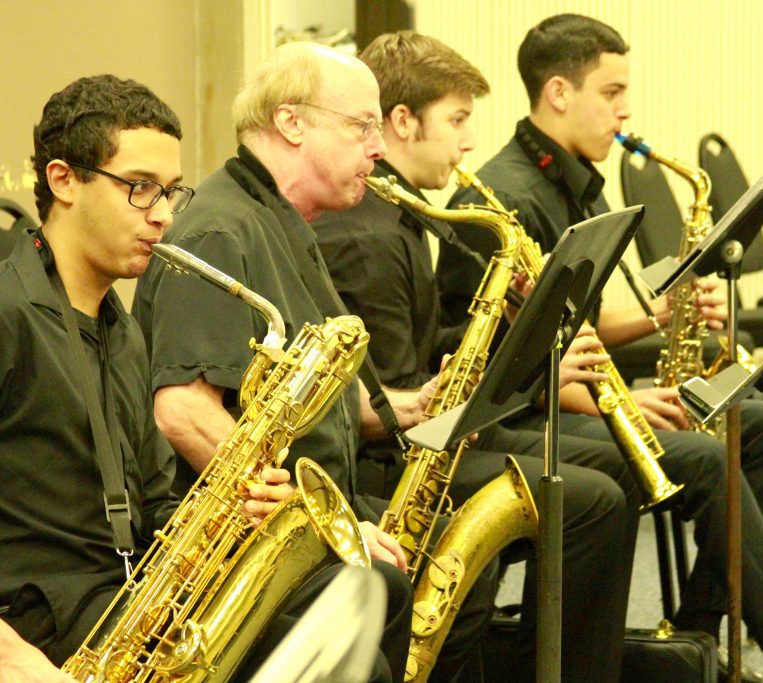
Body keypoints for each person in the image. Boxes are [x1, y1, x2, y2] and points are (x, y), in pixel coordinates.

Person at [436, 14, 763, 683]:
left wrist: (662, 315)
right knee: (705, 454)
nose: (625, 110)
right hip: (526, 417)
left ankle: (697, 636)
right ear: (558, 93)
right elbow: (500, 359)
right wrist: (625, 403)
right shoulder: (509, 195)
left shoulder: (566, 180)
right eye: (611, 92)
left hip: (577, 395)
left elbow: (576, 325)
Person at [130, 43, 519, 682]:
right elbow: (183, 411)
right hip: (243, 539)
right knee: (393, 585)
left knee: (454, 568)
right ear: (291, 123)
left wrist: (416, 408)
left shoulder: (284, 224)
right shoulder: (222, 231)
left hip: (318, 500)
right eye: (362, 126)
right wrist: (326, 525)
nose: (378, 147)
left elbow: (321, 401)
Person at [312, 31, 639, 683]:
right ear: (404, 122)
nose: (468, 143)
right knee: (596, 498)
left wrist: (518, 329)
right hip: (395, 463)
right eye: (457, 120)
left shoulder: (399, 220)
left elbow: (425, 356)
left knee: (608, 478)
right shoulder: (368, 237)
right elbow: (398, 405)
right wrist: (527, 370)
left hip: (433, 436)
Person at [0, 75, 297, 674]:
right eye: (139, 188)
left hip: (125, 606)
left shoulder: (124, 331)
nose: (162, 216)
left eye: (170, 192)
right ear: (63, 180)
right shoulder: (8, 315)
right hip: (39, 633)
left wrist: (232, 515)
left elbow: (155, 503)